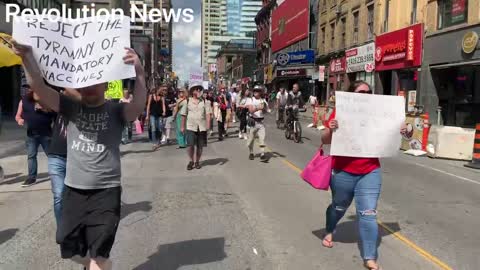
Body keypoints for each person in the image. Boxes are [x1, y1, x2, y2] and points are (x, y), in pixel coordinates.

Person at [12, 40, 147, 270]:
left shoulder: (116, 110)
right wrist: (26, 58)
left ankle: (99, 263)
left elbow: (138, 107)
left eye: (95, 81)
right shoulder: (70, 107)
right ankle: (98, 263)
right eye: (84, 82)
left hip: (106, 191)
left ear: (106, 83)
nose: (89, 86)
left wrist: (140, 73)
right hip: (74, 190)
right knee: (66, 244)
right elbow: (40, 88)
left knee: (98, 255)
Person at [320, 80, 407, 270]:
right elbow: (324, 139)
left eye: (369, 92)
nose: (365, 95)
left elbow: (405, 133)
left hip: (370, 171)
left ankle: (370, 258)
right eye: (361, 92)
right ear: (352, 94)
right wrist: (331, 129)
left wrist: (405, 130)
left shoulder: (379, 112)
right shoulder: (340, 111)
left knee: (368, 214)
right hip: (343, 171)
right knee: (338, 207)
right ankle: (329, 230)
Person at [47, 88, 81, 230]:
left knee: (77, 196)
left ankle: (77, 223)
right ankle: (62, 229)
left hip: (76, 158)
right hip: (56, 156)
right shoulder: (60, 105)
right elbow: (37, 94)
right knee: (59, 195)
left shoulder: (84, 105)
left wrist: (66, 86)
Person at [15, 87, 56, 187]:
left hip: (46, 134)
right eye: (28, 88)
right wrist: (19, 120)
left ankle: (57, 175)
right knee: (31, 156)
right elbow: (18, 116)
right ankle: (31, 178)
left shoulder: (47, 101)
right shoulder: (23, 101)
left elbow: (56, 116)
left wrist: (45, 109)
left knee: (52, 155)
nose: (29, 90)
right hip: (31, 134)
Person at [180, 83, 212, 170]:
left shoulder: (205, 101)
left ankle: (197, 161)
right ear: (192, 91)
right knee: (190, 145)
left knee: (200, 146)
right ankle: (191, 161)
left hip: (201, 127)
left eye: (199, 89)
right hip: (190, 126)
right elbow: (183, 114)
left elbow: (208, 114)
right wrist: (182, 126)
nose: (198, 91)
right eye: (196, 89)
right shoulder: (187, 101)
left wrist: (208, 126)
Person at [246, 85, 268, 161]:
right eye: (255, 90)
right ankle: (251, 153)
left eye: (258, 91)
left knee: (262, 138)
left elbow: (265, 111)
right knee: (250, 141)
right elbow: (251, 110)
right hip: (253, 122)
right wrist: (258, 108)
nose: (256, 92)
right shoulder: (250, 100)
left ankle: (262, 154)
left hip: (261, 123)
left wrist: (264, 108)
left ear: (260, 92)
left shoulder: (263, 100)